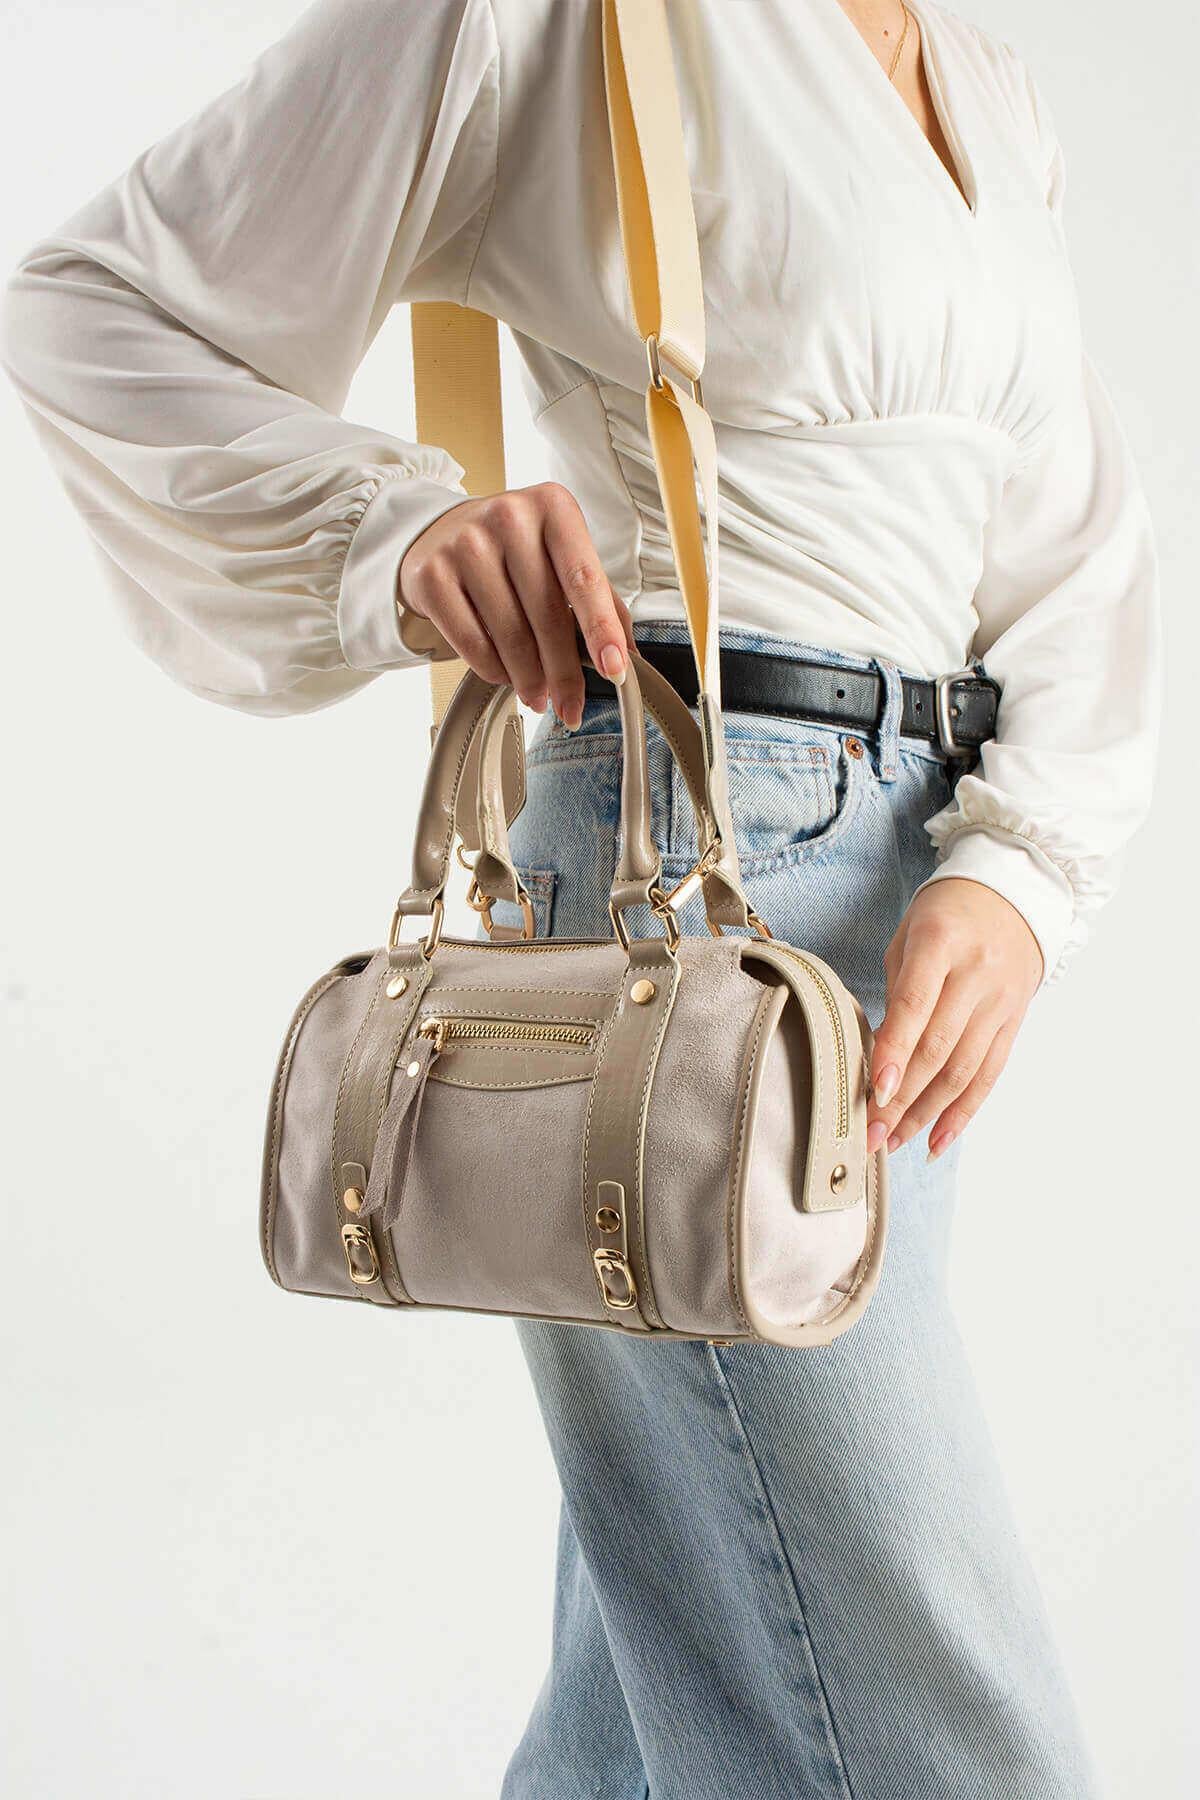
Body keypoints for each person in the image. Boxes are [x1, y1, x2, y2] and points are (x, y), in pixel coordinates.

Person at [1, 1, 1159, 1794]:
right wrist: (396, 528)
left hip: (911, 899)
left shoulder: (988, 93)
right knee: (931, 1722)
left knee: (676, 1665)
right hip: (683, 880)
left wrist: (1019, 863)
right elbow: (95, 305)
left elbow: (1075, 538)